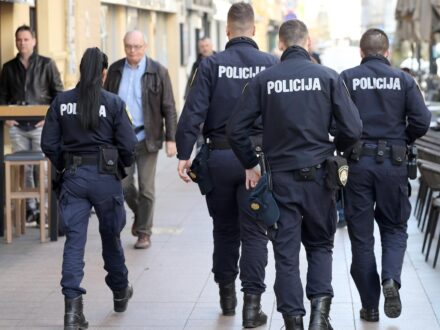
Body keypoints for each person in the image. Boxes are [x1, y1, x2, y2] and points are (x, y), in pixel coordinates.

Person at [228, 19, 362, 330]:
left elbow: (236, 130)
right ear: (309, 43)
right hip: (319, 178)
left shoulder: (265, 80)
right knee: (320, 245)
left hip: (280, 179)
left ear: (281, 45)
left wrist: (251, 162)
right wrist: (336, 152)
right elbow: (354, 129)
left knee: (285, 253)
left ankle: (293, 321)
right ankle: (319, 316)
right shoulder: (329, 77)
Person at [176, 3, 278, 327]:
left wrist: (183, 154)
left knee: (223, 230)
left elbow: (193, 111)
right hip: (257, 161)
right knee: (255, 233)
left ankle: (227, 297)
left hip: (218, 158)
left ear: (228, 31)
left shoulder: (211, 65)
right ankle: (252, 306)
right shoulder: (271, 64)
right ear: (254, 30)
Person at [41, 47, 136, 330]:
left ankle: (72, 312)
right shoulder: (114, 103)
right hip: (105, 179)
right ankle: (120, 291)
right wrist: (121, 168)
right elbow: (129, 146)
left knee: (74, 242)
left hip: (74, 176)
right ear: (104, 72)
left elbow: (49, 144)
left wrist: (64, 167)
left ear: (82, 70)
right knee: (111, 238)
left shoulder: (62, 102)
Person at [339, 28, 431, 322]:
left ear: (362, 52)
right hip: (394, 164)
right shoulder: (404, 80)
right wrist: (402, 140)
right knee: (394, 228)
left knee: (362, 238)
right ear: (387, 52)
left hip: (358, 165)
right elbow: (422, 120)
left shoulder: (348, 78)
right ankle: (391, 278)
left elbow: (335, 121)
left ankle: (370, 306)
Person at [104, 30, 178, 249]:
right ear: (124, 46)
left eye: (137, 46)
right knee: (123, 185)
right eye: (128, 46)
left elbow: (169, 107)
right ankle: (140, 214)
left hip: (148, 137)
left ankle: (144, 232)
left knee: (147, 188)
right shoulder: (115, 71)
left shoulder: (159, 71)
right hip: (121, 139)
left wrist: (171, 138)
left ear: (145, 47)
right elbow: (104, 103)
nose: (132, 50)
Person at [0, 25, 64, 223]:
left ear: (34, 41)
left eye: (26, 39)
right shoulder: (9, 67)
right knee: (24, 169)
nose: (22, 43)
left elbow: (59, 95)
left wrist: (49, 120)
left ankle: (45, 211)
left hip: (40, 127)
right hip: (18, 127)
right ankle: (30, 209)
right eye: (19, 39)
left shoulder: (47, 64)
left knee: (43, 170)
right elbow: (2, 96)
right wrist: (7, 118)